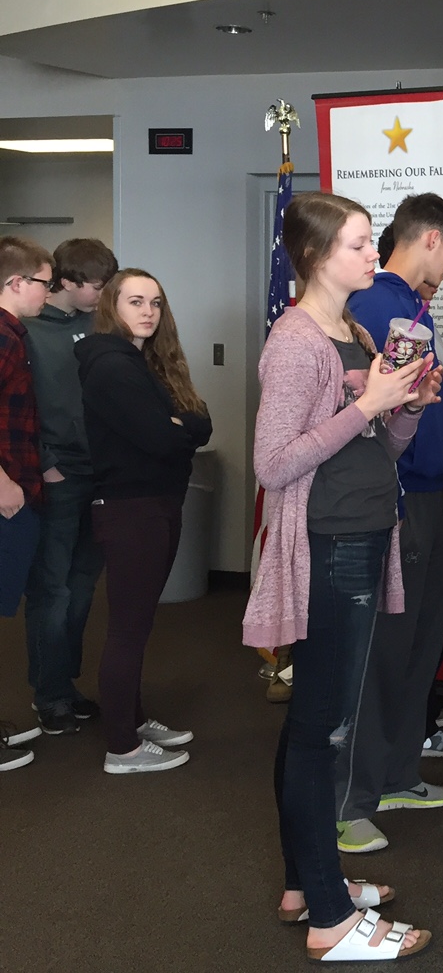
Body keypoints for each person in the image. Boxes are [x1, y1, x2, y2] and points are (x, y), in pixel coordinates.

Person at [244, 191, 439, 962]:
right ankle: (328, 916)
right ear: (320, 255)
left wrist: (405, 406)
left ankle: (306, 884)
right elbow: (273, 462)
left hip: (360, 530)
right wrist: (368, 407)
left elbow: (374, 453)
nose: (373, 254)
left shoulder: (352, 329)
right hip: (327, 544)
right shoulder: (297, 341)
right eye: (360, 244)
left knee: (318, 725)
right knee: (321, 728)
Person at [338, 194, 443, 854]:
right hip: (398, 498)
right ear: (428, 238)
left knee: (418, 647)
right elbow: (370, 416)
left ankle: (395, 773)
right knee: (383, 653)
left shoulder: (411, 307)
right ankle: (351, 797)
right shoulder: (374, 304)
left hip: (431, 495)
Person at [76, 269, 213, 773]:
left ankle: (129, 719)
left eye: (155, 302)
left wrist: (183, 427)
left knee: (138, 624)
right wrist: (180, 429)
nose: (148, 312)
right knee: (128, 630)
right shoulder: (111, 365)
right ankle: (122, 748)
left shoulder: (144, 362)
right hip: (131, 507)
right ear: (112, 305)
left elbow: (200, 421)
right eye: (135, 301)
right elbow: (162, 438)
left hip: (155, 502)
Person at [23, 238, 116, 735]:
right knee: (52, 590)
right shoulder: (28, 331)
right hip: (59, 476)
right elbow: (19, 407)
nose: (104, 297)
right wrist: (47, 463)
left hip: (102, 473)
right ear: (68, 282)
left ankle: (66, 683)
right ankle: (49, 694)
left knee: (82, 587)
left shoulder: (101, 325)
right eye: (97, 288)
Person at [0, 236, 53, 772]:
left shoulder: (15, 333)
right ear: (17, 283)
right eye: (43, 280)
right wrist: (5, 485)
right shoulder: (2, 333)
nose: (49, 290)